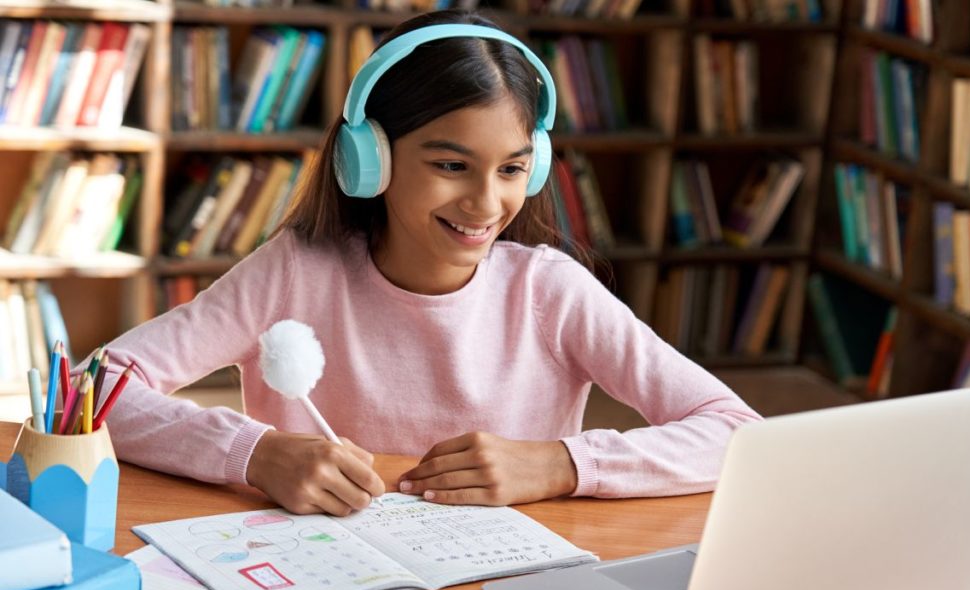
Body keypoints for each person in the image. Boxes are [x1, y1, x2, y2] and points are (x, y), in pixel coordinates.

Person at [88, 9, 761, 517]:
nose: (485, 200)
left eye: (512, 168)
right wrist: (254, 452)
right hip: (327, 577)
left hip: (509, 583)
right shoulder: (295, 271)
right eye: (449, 165)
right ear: (369, 157)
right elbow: (98, 389)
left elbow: (735, 432)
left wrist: (561, 464)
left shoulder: (550, 291)